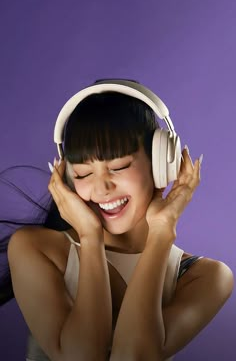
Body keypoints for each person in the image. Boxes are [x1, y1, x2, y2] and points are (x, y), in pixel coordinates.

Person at [6, 79, 234, 361]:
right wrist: (90, 238)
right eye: (83, 174)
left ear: (162, 163)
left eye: (119, 167)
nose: (101, 189)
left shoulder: (205, 276)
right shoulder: (35, 248)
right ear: (66, 177)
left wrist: (162, 233)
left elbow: (134, 356)